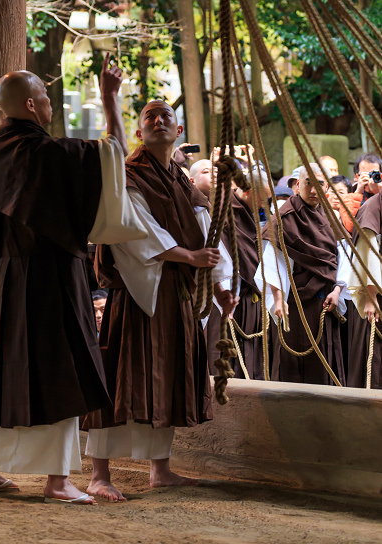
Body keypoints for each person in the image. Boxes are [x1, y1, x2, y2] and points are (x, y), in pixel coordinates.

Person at [0, 55, 146, 505]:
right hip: (51, 279)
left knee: (8, 370)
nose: (50, 105)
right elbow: (111, 157)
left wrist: (1, 273)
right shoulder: (47, 154)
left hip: (10, 279)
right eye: (46, 98)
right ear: (31, 105)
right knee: (58, 368)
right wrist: (109, 99)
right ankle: (56, 480)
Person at [84, 100, 236, 502]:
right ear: (138, 132)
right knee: (120, 376)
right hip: (137, 291)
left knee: (166, 376)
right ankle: (99, 474)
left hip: (176, 293)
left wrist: (221, 285)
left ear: (180, 129)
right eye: (149, 116)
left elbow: (208, 232)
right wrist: (188, 257)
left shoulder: (182, 180)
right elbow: (133, 228)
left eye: (165, 115)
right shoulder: (129, 175)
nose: (157, 120)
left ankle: (160, 469)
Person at [255, 164, 346, 385]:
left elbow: (343, 257)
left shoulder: (331, 215)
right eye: (308, 183)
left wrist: (337, 290)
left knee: (326, 357)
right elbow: (272, 263)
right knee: (293, 362)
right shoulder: (284, 217)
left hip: (326, 300)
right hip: (294, 303)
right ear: (297, 185)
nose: (314, 190)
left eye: (320, 184)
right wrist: (277, 300)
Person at [220, 169, 270, 380]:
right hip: (231, 298)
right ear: (249, 192)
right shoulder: (223, 212)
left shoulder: (251, 214)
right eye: (262, 199)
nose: (263, 205)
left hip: (254, 297)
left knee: (254, 356)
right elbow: (222, 259)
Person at [347, 193, 382, 389]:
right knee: (374, 361)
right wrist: (370, 297)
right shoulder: (372, 208)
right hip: (376, 297)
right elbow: (366, 254)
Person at [339, 153, 382, 234]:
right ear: (356, 176)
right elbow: (351, 226)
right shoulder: (349, 196)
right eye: (366, 174)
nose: (371, 178)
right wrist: (358, 193)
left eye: (375, 174)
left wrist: (379, 194)